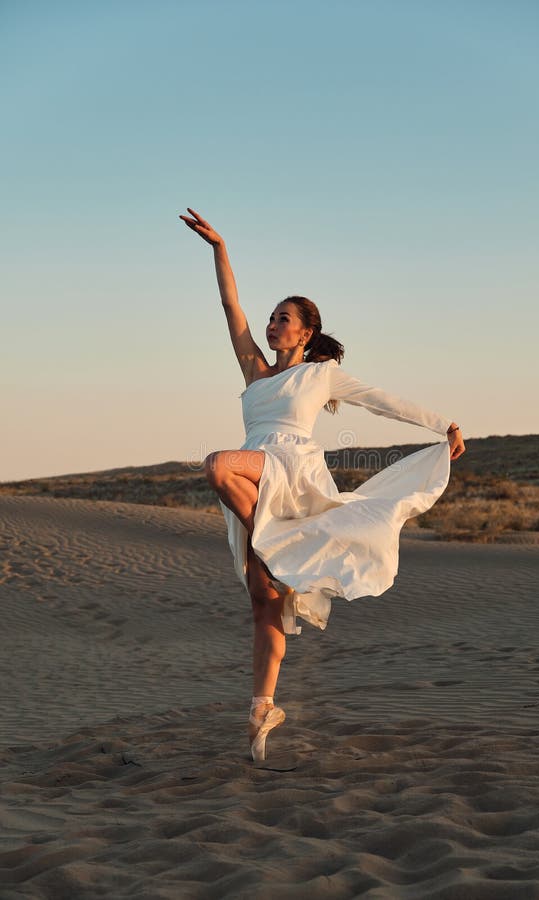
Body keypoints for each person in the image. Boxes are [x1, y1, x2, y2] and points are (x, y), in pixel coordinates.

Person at [179, 207, 466, 762]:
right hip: (256, 482)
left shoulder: (320, 374)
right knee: (265, 605)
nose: (271, 323)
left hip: (289, 472)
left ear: (306, 333)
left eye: (283, 318)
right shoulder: (256, 373)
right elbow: (229, 308)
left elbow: (385, 401)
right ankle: (264, 708)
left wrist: (441, 426)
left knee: (215, 465)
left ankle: (274, 542)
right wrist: (219, 248)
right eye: (271, 317)